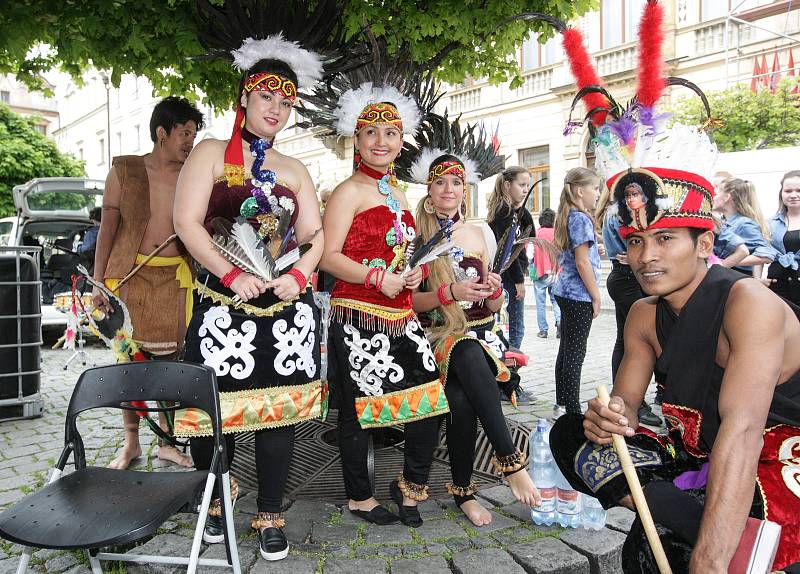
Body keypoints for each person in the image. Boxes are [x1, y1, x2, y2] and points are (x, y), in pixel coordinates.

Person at [550, 165, 800, 573]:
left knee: (663, 548)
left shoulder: (749, 303)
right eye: (635, 242)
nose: (646, 257)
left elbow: (742, 432)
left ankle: (697, 521)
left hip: (775, 450)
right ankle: (702, 517)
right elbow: (626, 407)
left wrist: (710, 560)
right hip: (697, 450)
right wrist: (609, 419)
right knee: (572, 434)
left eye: (664, 239)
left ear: (705, 244)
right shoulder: (643, 315)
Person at [172, 4, 341, 558]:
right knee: (211, 413)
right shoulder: (209, 154)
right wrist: (228, 272)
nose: (276, 108)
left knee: (278, 413)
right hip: (223, 305)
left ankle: (270, 511)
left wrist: (299, 274)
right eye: (267, 95)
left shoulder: (294, 168)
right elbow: (186, 223)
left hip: (285, 310)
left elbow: (316, 237)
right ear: (244, 95)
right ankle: (218, 496)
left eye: (286, 101)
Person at [320, 83, 446, 528]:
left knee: (428, 402)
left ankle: (409, 486)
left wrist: (412, 274)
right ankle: (359, 496)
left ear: (400, 140)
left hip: (401, 313)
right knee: (358, 413)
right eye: (370, 132)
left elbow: (402, 252)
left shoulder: (400, 194)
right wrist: (378, 278)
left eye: (389, 133)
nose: (380, 141)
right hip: (356, 313)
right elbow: (327, 256)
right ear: (356, 140)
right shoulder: (347, 191)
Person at [406, 144, 541, 527]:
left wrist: (494, 289)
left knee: (463, 394)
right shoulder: (416, 236)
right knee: (462, 371)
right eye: (441, 183)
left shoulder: (480, 231)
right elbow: (411, 301)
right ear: (429, 191)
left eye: (457, 182)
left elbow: (494, 305)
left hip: (480, 337)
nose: (450, 189)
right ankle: (508, 463)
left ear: (465, 190)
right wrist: (450, 293)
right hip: (435, 337)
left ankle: (465, 491)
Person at [92, 96, 203, 471]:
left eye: (193, 133)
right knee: (129, 364)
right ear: (161, 132)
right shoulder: (124, 170)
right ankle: (131, 444)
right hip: (128, 277)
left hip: (175, 279)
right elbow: (107, 229)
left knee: (171, 364)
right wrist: (97, 282)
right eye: (184, 133)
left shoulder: (193, 175)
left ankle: (167, 444)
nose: (190, 141)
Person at [599, 187, 661, 426]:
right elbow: (628, 253)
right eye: (630, 193)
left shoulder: (622, 213)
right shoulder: (621, 215)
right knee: (632, 340)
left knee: (626, 339)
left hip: (628, 278)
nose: (635, 198)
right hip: (626, 279)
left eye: (638, 193)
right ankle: (631, 400)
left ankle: (628, 398)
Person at [551, 167, 601, 418]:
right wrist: (596, 295)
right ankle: (572, 410)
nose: (598, 193)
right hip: (578, 294)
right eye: (595, 188)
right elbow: (582, 262)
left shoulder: (569, 214)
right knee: (575, 353)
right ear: (580, 191)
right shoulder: (580, 218)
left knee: (566, 350)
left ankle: (562, 403)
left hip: (565, 290)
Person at [487, 167, 533, 352]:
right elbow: (509, 252)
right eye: (521, 185)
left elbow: (528, 237)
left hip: (506, 278)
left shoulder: (509, 211)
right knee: (515, 329)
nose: (525, 190)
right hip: (508, 279)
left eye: (527, 186)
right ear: (507, 185)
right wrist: (519, 280)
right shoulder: (505, 213)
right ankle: (511, 369)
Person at [712, 178, 775, 276]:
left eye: (716, 194)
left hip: (736, 277)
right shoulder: (723, 222)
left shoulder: (744, 223)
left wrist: (727, 262)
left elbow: (767, 254)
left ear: (727, 197)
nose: (713, 198)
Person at [766, 170, 800, 306]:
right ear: (781, 194)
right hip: (778, 285)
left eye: (798, 190)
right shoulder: (770, 223)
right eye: (788, 191)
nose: (793, 195)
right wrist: (757, 279)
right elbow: (761, 251)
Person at [531, 208, 561, 339]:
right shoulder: (557, 233)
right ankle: (559, 324)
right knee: (556, 300)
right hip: (555, 272)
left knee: (540, 303)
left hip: (540, 272)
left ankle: (543, 330)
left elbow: (529, 254)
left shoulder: (536, 234)